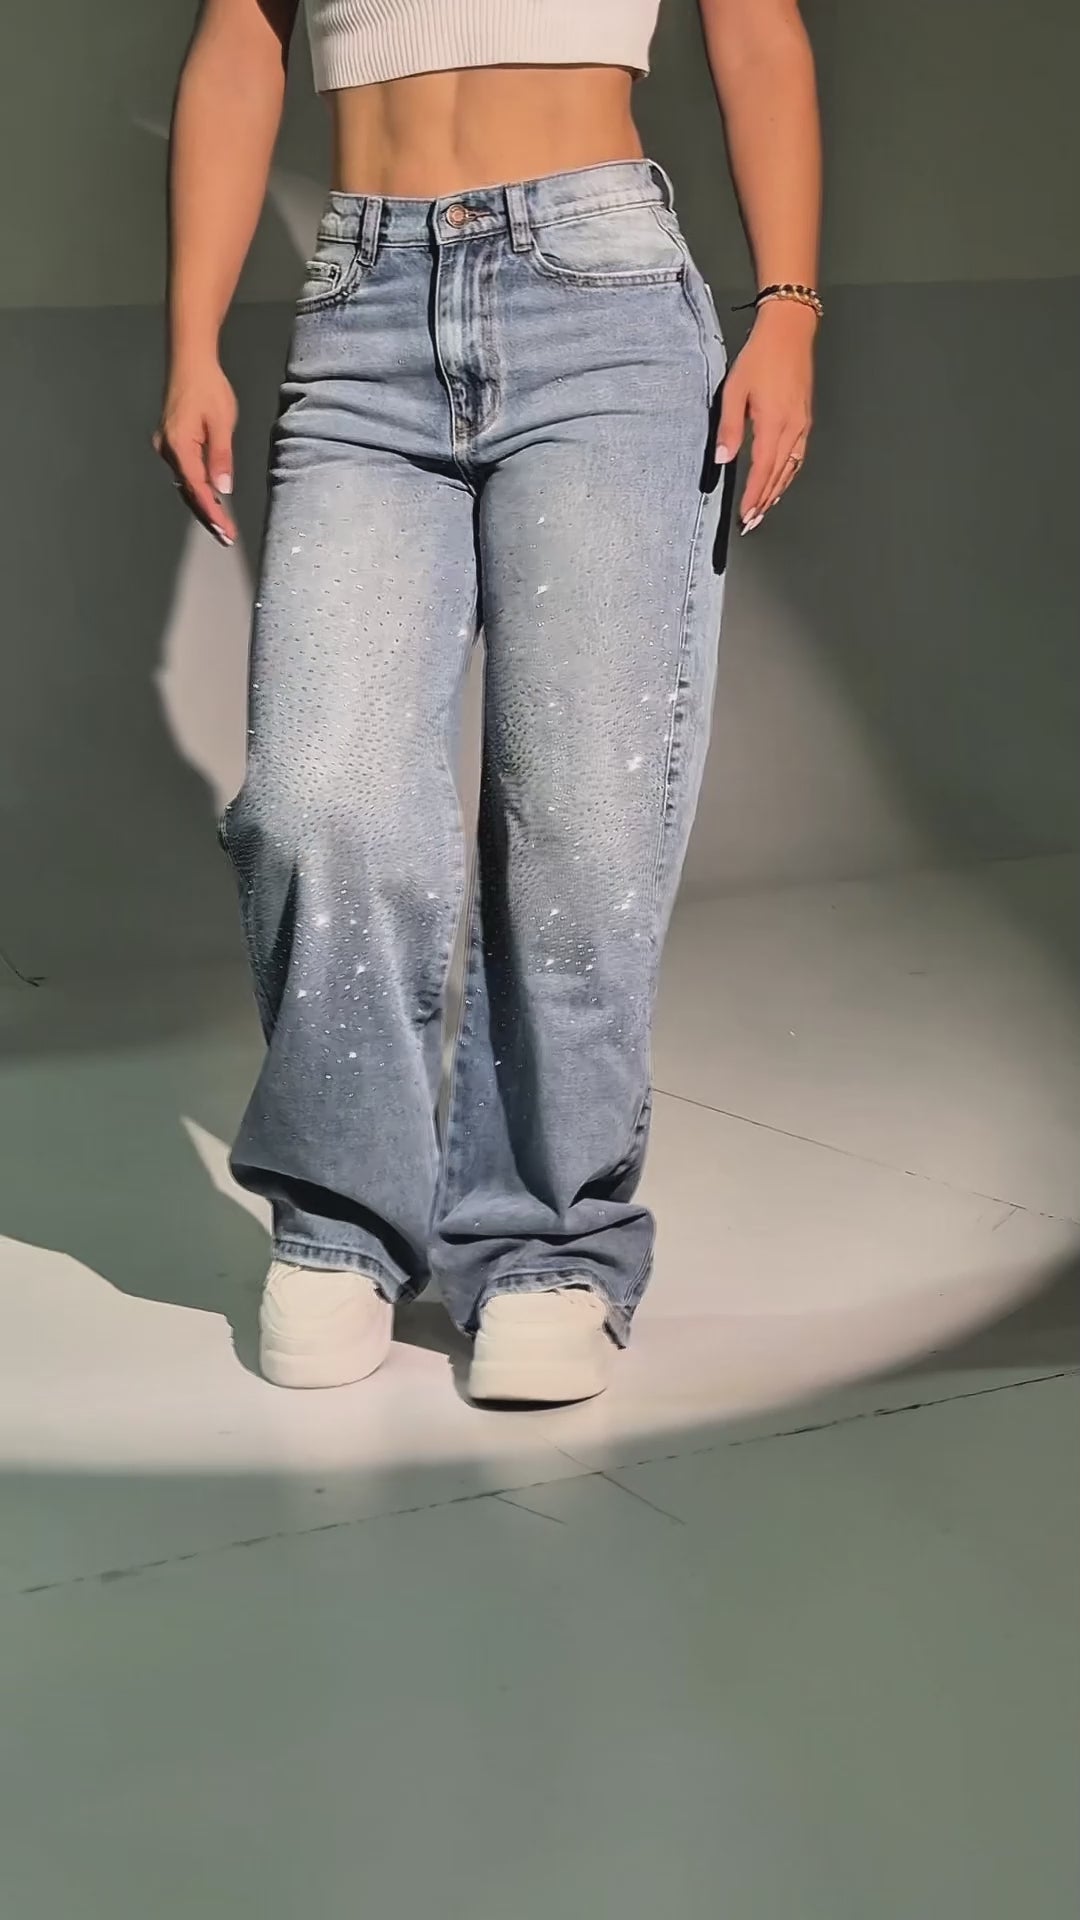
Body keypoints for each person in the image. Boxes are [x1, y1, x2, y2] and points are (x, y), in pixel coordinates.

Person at [155, 0, 822, 1405]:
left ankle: (547, 1241)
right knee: (319, 798)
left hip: (605, 301)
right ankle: (342, 1220)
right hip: (364, 311)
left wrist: (789, 306)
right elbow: (238, 39)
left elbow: (759, 33)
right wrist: (191, 339)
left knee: (582, 811)